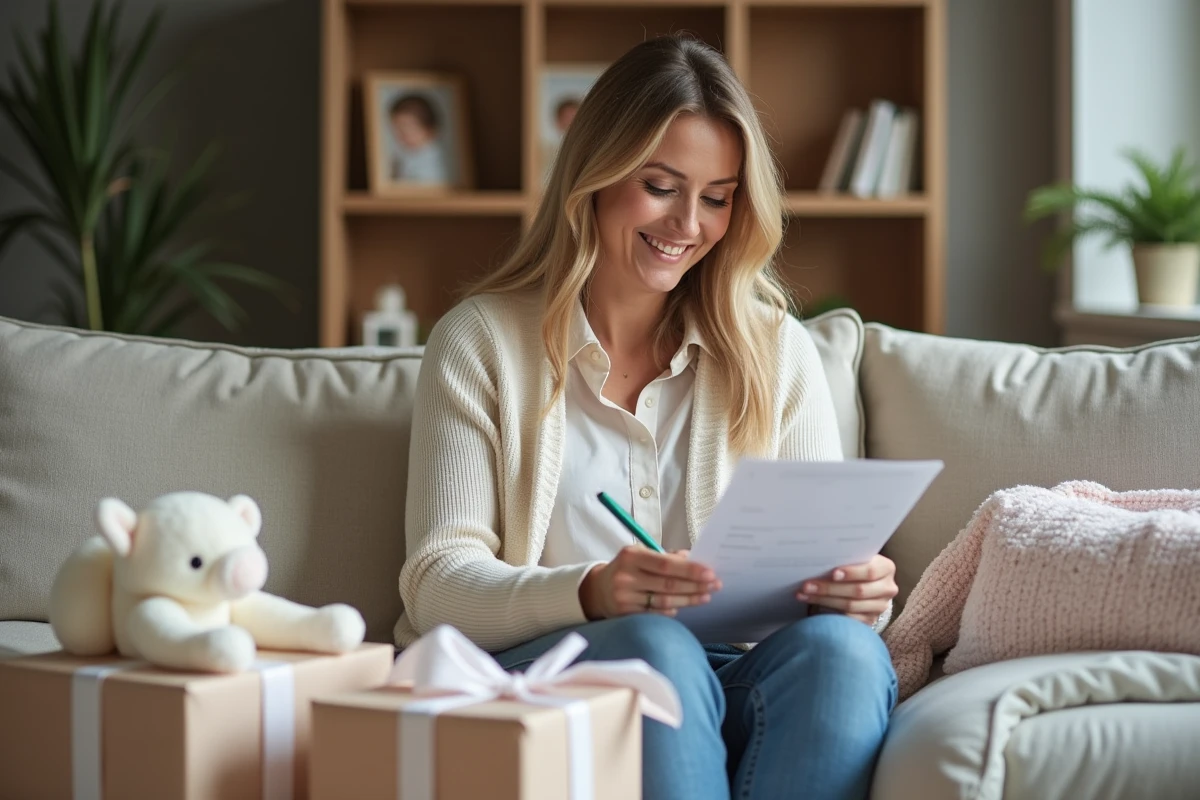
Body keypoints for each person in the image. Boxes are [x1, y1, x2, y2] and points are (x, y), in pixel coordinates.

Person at [395, 34, 898, 800]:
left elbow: (824, 571)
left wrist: (857, 595)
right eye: (660, 186)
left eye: (717, 196)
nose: (687, 224)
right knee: (655, 648)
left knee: (845, 655)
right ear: (594, 177)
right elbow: (436, 585)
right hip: (553, 670)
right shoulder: (481, 341)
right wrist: (592, 592)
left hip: (735, 671)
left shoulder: (774, 347)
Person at [387, 92, 448, 184]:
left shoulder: (439, 163)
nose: (401, 134)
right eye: (397, 128)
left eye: (407, 127)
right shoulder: (401, 159)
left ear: (428, 129)